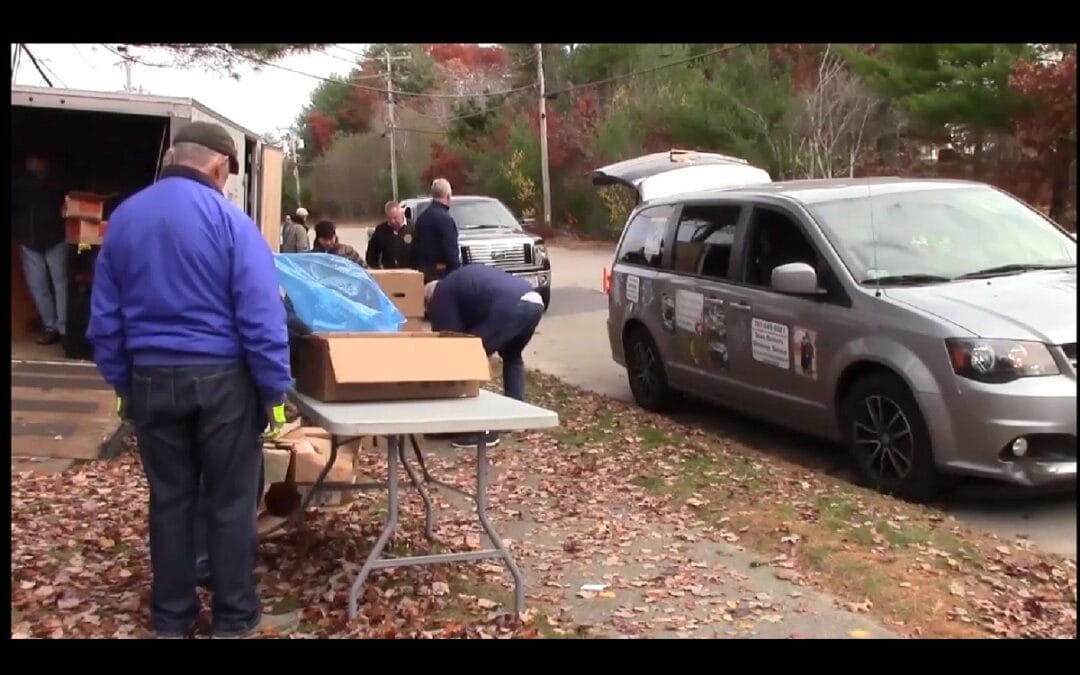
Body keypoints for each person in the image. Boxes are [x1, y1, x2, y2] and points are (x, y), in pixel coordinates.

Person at [86, 121, 294, 639]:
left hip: (151, 379)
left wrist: (123, 383)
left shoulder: (125, 220)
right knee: (229, 504)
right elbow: (261, 316)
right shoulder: (230, 222)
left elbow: (104, 318)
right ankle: (235, 618)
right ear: (219, 166)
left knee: (170, 502)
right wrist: (275, 393)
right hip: (222, 382)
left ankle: (172, 618)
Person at [424, 264, 544, 448]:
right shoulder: (459, 283)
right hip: (534, 300)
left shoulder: (442, 293)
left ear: (429, 300)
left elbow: (449, 340)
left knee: (468, 359)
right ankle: (515, 415)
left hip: (510, 306)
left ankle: (482, 430)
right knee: (512, 356)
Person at [12, 151, 69, 345]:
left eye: (35, 158)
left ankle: (63, 328)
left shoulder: (58, 182)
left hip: (54, 238)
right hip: (30, 239)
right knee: (40, 286)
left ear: (45, 161)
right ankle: (52, 327)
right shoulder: (21, 183)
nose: (31, 162)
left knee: (59, 284)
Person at [412, 178, 461, 283]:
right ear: (448, 196)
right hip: (442, 275)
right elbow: (451, 253)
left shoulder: (421, 218)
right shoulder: (446, 220)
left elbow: (415, 247)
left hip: (423, 274)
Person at [365, 201, 414, 269]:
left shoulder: (413, 228)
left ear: (401, 214)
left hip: (410, 273)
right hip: (389, 272)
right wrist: (378, 269)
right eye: (389, 218)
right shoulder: (381, 230)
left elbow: (421, 252)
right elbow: (371, 254)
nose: (392, 221)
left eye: (395, 218)